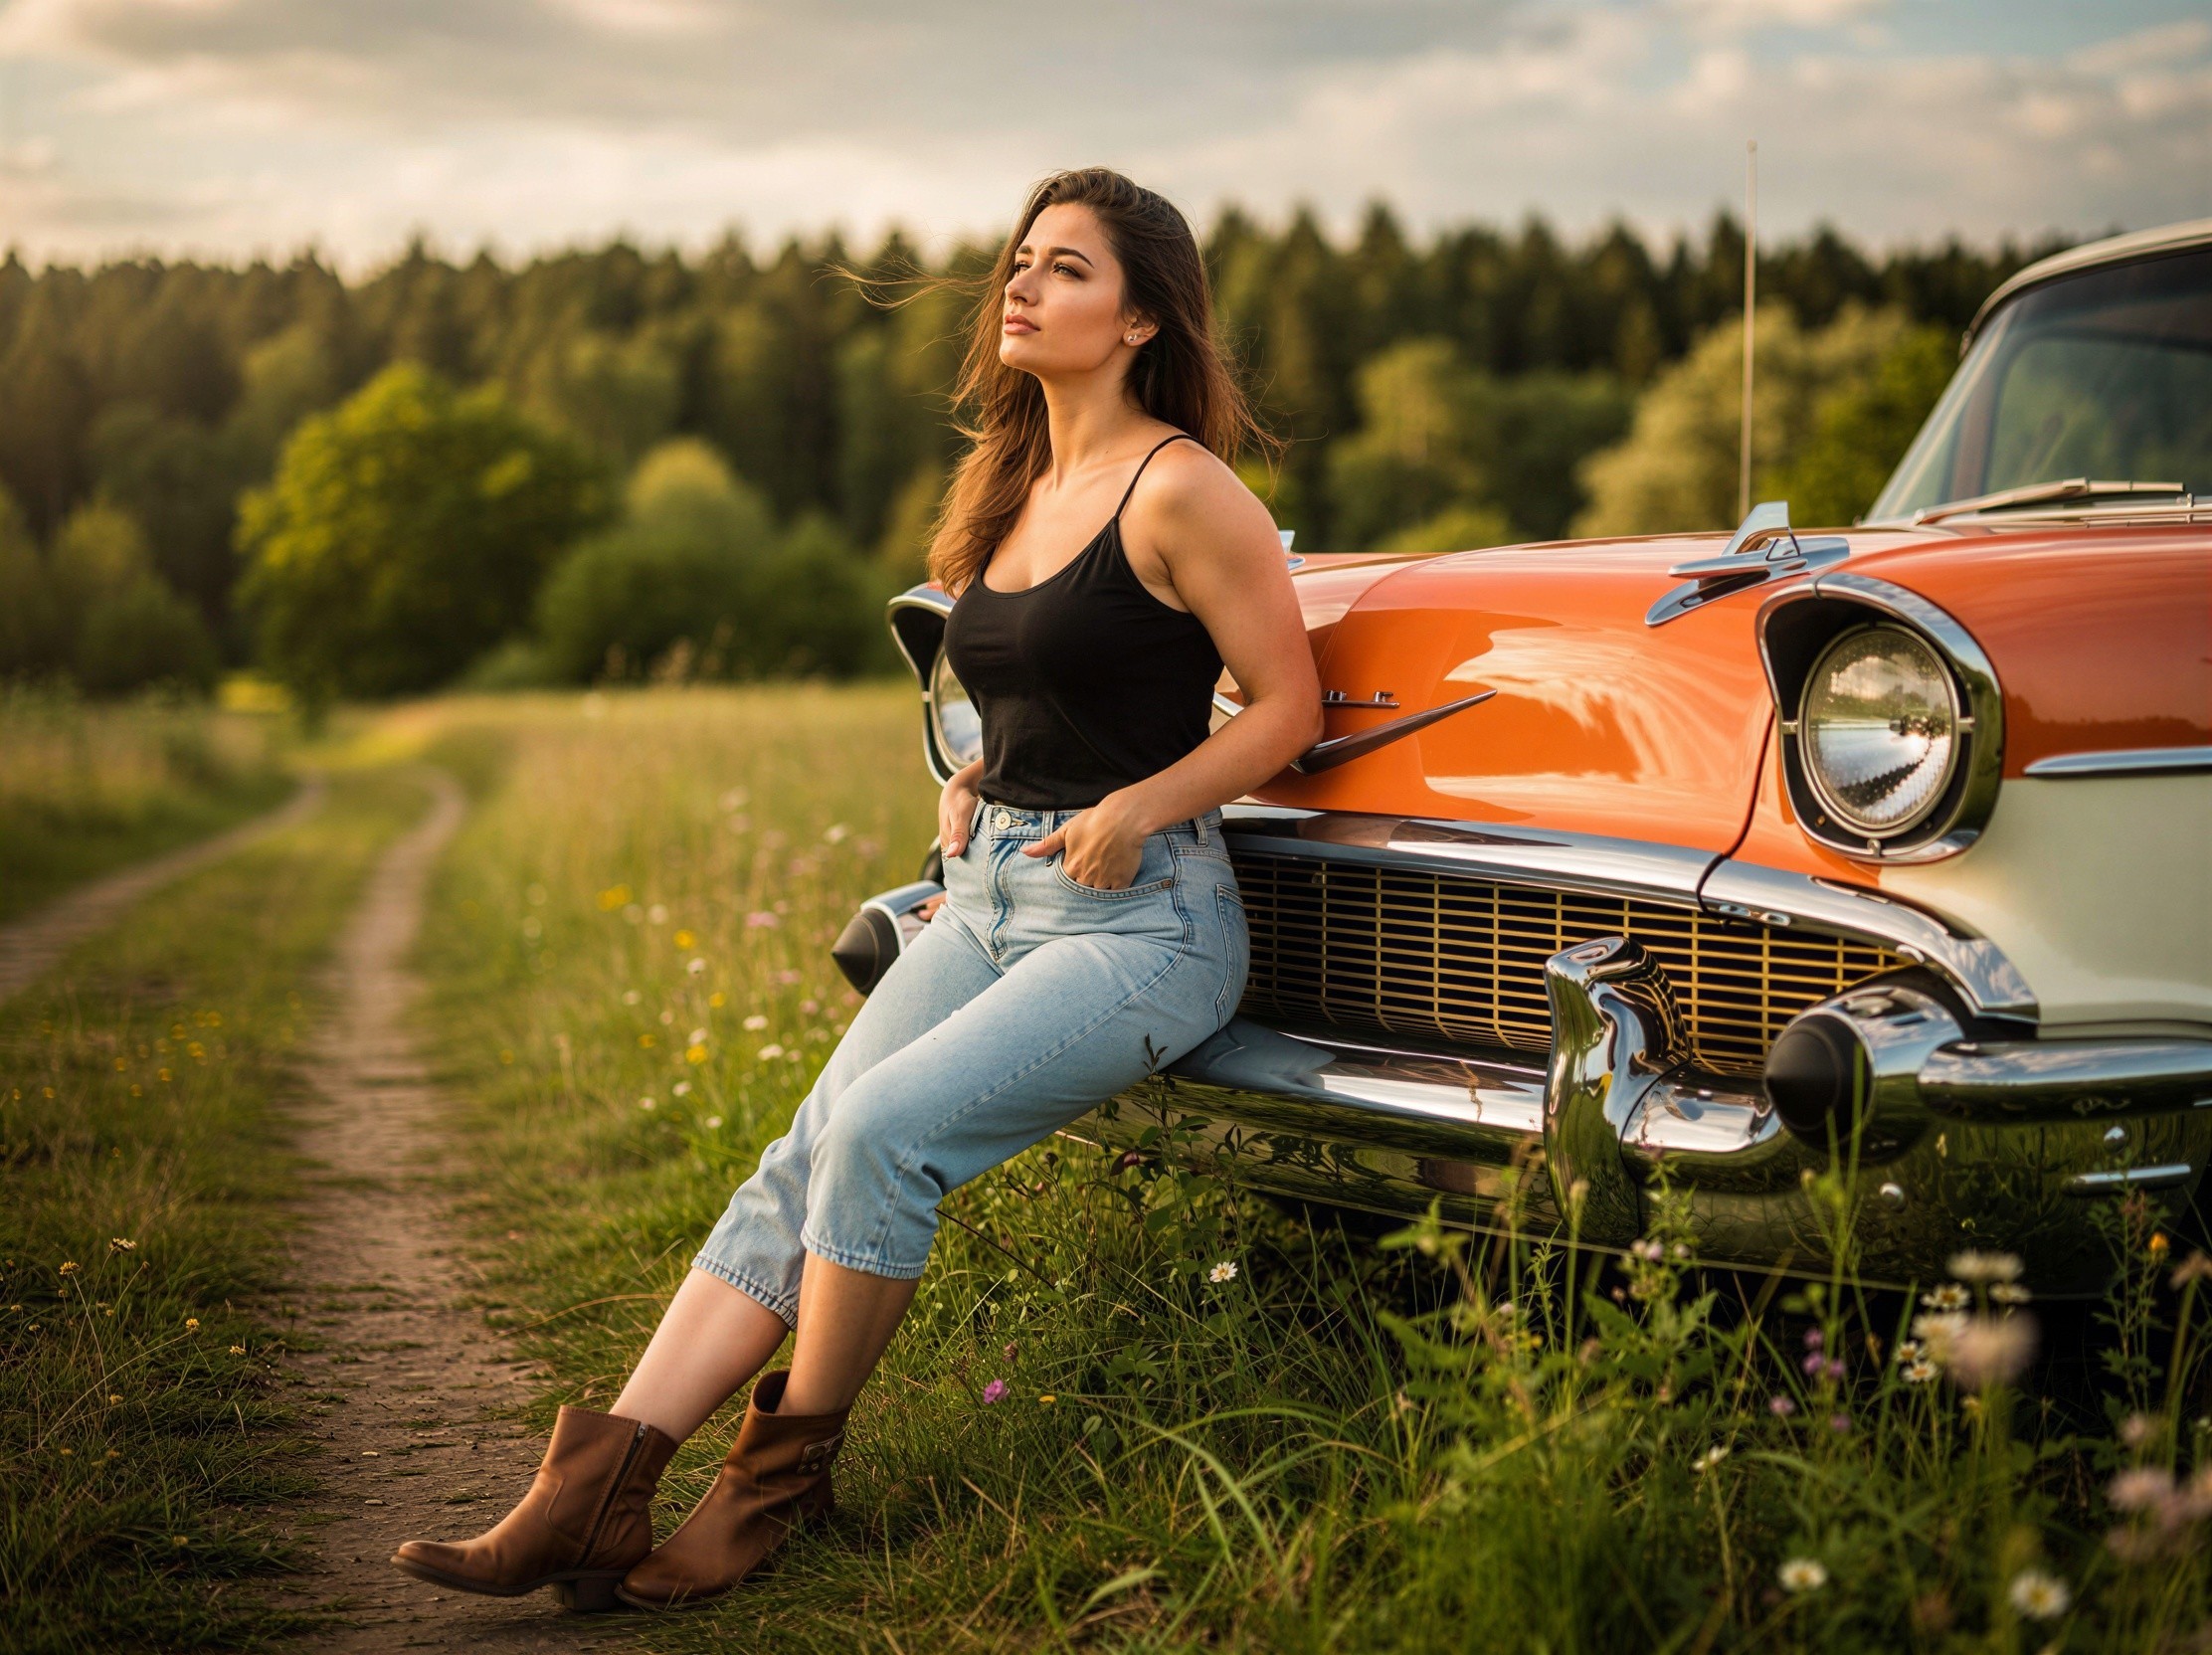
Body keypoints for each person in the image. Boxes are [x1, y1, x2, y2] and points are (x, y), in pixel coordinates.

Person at [390, 165, 1324, 1615]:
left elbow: (1285, 711)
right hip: (1000, 896)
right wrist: (984, 776)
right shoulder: (1020, 488)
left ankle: (776, 1489)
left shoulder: (1183, 489)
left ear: (1143, 319)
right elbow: (1035, 693)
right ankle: (590, 1490)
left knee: (881, 1134)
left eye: (1066, 270)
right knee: (804, 1153)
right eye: (1020, 261)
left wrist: (1141, 802)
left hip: (1150, 923)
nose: (1020, 285)